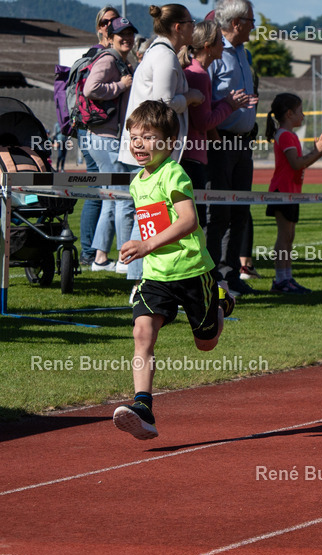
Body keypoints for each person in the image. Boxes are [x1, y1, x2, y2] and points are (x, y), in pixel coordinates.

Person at [113, 100, 232, 440]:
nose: (139, 144)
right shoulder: (137, 182)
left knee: (206, 344)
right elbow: (151, 225)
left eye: (148, 137)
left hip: (193, 271)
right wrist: (140, 248)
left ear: (169, 143)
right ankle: (143, 407)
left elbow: (188, 220)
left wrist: (147, 245)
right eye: (134, 137)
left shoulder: (173, 173)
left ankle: (220, 301)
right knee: (142, 333)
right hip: (156, 275)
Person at [117, 4, 204, 294]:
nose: (195, 28)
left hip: (152, 148)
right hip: (153, 148)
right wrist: (190, 97)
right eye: (191, 23)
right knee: (149, 214)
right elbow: (163, 103)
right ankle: (141, 282)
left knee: (150, 214)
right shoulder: (165, 56)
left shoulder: (162, 53)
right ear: (178, 27)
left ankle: (144, 281)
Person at [207, 0, 259, 294]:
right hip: (220, 143)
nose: (255, 26)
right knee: (219, 214)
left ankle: (232, 275)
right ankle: (214, 276)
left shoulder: (243, 53)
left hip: (242, 143)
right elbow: (206, 99)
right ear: (237, 23)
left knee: (240, 211)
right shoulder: (214, 53)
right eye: (251, 20)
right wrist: (215, 137)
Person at [263, 93, 322, 294]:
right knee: (284, 237)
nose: (303, 115)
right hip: (282, 192)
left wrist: (317, 152)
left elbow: (298, 164)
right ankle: (280, 280)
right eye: (300, 111)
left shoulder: (289, 135)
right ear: (289, 113)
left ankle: (287, 278)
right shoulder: (285, 135)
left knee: (289, 236)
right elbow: (296, 164)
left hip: (291, 192)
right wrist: (318, 151)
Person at [181, 20, 251, 224]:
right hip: (192, 156)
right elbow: (204, 122)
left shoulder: (196, 71)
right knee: (199, 220)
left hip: (192, 154)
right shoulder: (200, 75)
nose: (224, 46)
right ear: (207, 46)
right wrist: (229, 106)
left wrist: (226, 102)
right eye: (220, 41)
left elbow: (204, 107)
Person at [82, 17, 136, 272]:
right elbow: (90, 89)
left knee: (111, 198)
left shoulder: (120, 60)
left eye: (130, 34)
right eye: (121, 34)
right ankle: (126, 259)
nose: (126, 38)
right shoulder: (108, 59)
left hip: (104, 138)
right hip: (106, 140)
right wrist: (120, 86)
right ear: (111, 37)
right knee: (124, 198)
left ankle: (100, 257)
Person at [78, 5, 121, 267]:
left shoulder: (112, 54)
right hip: (95, 130)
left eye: (115, 21)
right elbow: (90, 90)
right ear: (99, 27)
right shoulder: (100, 55)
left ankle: (93, 251)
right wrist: (120, 86)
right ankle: (92, 252)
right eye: (106, 22)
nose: (110, 25)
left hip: (99, 130)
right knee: (102, 192)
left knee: (103, 191)